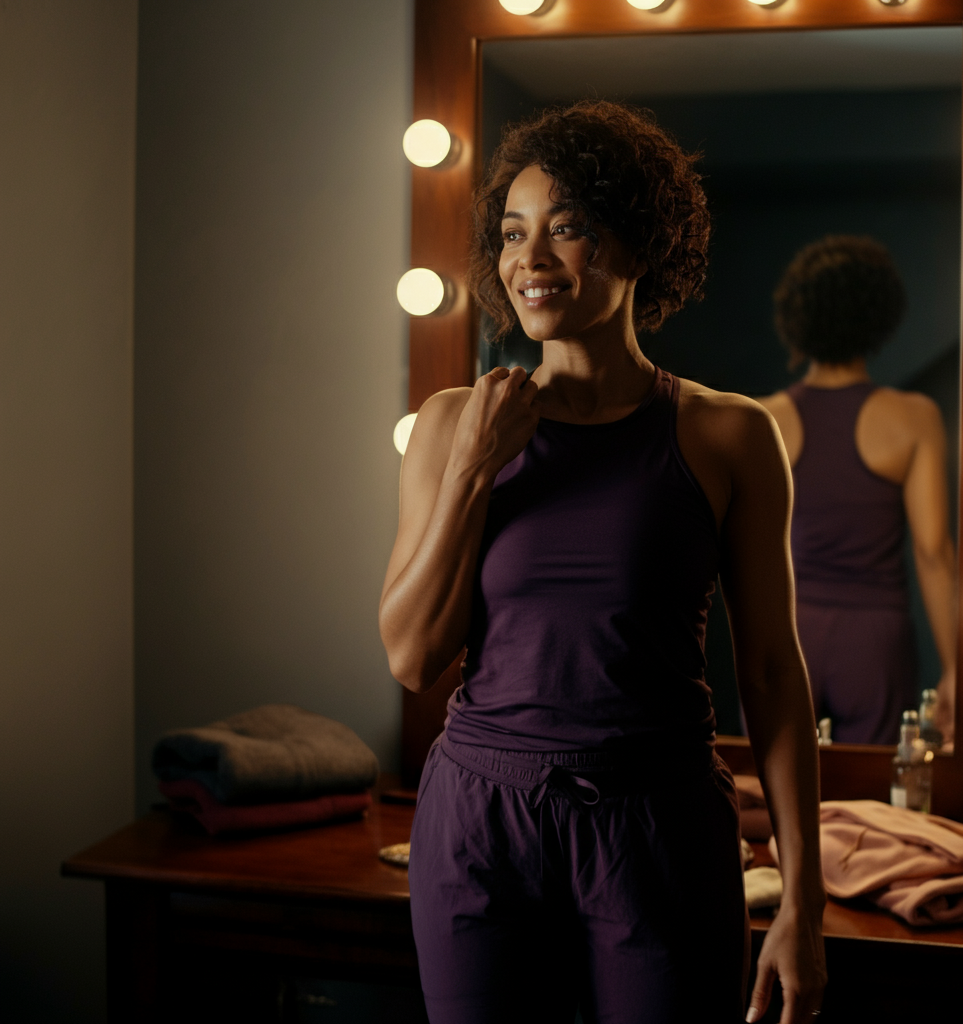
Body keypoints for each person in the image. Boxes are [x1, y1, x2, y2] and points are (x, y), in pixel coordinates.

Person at [380, 101, 826, 1024]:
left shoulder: (730, 434)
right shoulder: (448, 424)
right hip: (477, 821)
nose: (530, 260)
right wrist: (474, 464)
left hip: (657, 827)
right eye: (513, 233)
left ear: (640, 246)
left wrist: (803, 904)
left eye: (569, 229)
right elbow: (413, 659)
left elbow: (775, 675)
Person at [758, 236, 957, 746]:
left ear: (797, 321)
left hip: (790, 631)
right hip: (876, 641)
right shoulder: (914, 419)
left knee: (776, 793)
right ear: (878, 317)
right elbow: (933, 552)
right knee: (872, 804)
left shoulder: (765, 419)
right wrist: (958, 666)